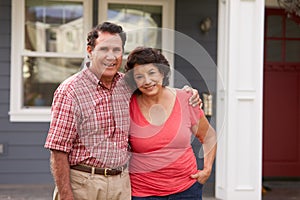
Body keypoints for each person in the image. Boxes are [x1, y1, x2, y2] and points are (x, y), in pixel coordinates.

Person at [44, 22, 201, 200]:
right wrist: (66, 196)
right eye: (104, 49)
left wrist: (187, 92)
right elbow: (58, 150)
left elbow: (154, 87)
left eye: (116, 50)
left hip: (122, 183)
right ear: (90, 51)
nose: (111, 56)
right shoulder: (71, 90)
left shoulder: (127, 85)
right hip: (85, 183)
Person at [124, 47, 217, 200]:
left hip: (187, 190)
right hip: (143, 192)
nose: (147, 81)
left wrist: (207, 170)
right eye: (139, 76)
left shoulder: (186, 100)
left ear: (162, 72)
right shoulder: (128, 105)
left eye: (152, 73)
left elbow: (209, 136)